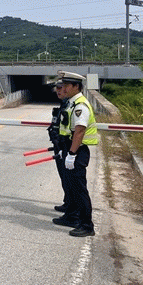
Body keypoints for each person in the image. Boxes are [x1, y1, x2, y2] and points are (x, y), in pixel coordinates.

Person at [51, 71, 98, 237]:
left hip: (77, 151)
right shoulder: (71, 103)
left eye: (66, 85)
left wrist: (72, 154)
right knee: (70, 186)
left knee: (79, 189)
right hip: (69, 148)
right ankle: (71, 217)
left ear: (76, 86)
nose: (63, 88)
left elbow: (79, 131)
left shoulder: (80, 105)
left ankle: (87, 225)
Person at [48, 82, 69, 213]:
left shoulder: (70, 105)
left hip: (65, 146)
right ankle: (68, 203)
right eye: (57, 89)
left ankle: (72, 208)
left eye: (61, 88)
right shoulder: (64, 104)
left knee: (68, 179)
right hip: (59, 145)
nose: (58, 91)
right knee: (64, 177)